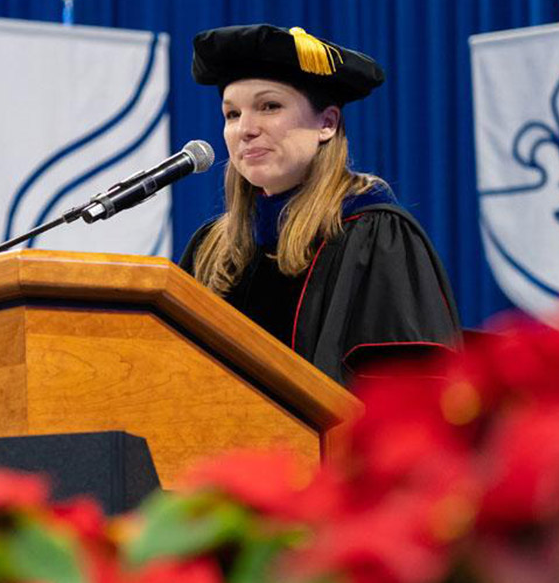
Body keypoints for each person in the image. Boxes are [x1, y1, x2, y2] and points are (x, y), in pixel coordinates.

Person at [179, 24, 461, 385]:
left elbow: (406, 394)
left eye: (269, 106)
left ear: (327, 124)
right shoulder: (212, 248)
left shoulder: (372, 237)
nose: (245, 129)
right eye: (232, 114)